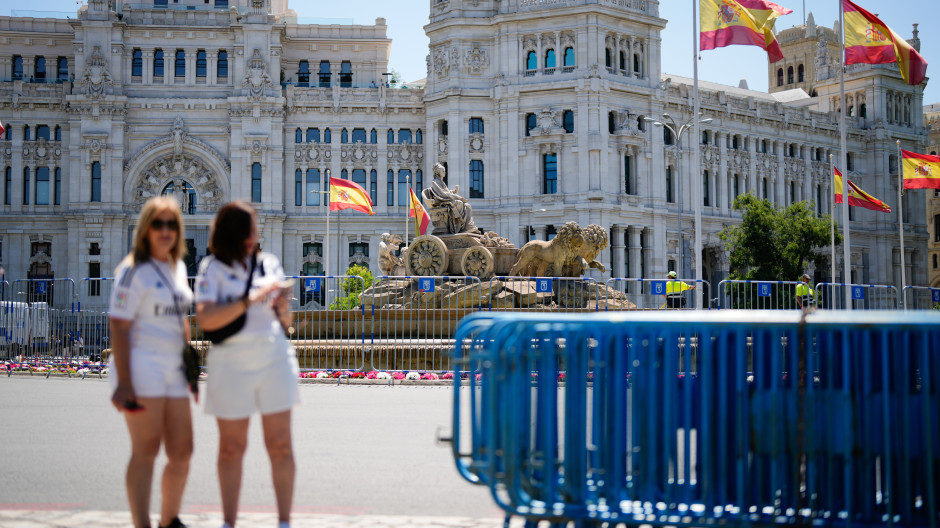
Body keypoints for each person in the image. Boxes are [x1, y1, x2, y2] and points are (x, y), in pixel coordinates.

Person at [195, 201, 298, 528]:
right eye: (249, 228)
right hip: (231, 360)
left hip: (273, 356)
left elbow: (286, 320)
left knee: (280, 443)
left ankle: (283, 521)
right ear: (233, 233)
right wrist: (251, 299)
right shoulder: (212, 268)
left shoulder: (269, 263)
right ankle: (229, 522)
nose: (256, 235)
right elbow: (207, 319)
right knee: (231, 446)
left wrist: (283, 306)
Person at [109, 196, 195, 528]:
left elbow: (181, 317)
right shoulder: (133, 271)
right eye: (158, 223)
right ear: (145, 229)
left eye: (172, 224)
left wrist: (188, 363)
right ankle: (142, 523)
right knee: (146, 449)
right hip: (141, 365)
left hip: (173, 368)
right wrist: (125, 381)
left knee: (182, 451)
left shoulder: (178, 267)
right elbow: (118, 323)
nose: (165, 231)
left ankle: (169, 518)